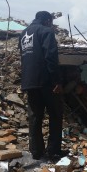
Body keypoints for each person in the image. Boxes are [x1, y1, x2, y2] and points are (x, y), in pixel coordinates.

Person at [18, 11, 67, 161]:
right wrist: (56, 81)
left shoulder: (23, 34)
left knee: (35, 116)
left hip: (29, 82)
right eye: (51, 22)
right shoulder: (46, 31)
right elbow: (50, 57)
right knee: (55, 114)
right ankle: (53, 151)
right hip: (46, 82)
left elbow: (24, 58)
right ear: (47, 20)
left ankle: (36, 152)